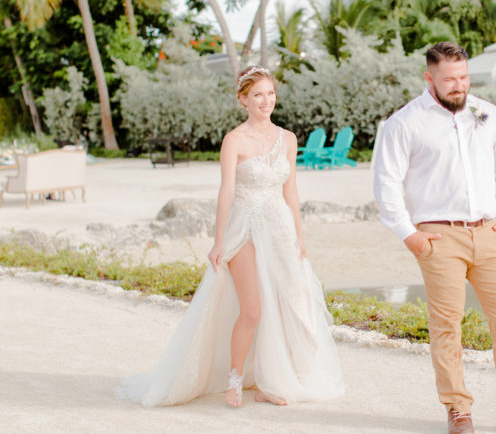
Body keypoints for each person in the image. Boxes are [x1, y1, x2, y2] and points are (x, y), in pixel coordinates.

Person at [116, 66, 343, 408]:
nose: (266, 101)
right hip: (244, 228)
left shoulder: (289, 139)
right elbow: (226, 192)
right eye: (258, 95)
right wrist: (218, 240)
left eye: (270, 93)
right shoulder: (234, 141)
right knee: (252, 310)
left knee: (287, 307)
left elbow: (291, 190)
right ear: (243, 100)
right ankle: (234, 380)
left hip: (280, 228)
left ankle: (269, 382)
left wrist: (300, 234)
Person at [373, 42, 496, 434]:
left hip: (490, 232)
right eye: (449, 80)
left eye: (463, 78)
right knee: (447, 327)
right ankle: (458, 409)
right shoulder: (404, 123)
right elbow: (386, 183)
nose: (458, 86)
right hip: (438, 237)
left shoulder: (487, 114)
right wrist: (412, 237)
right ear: (430, 78)